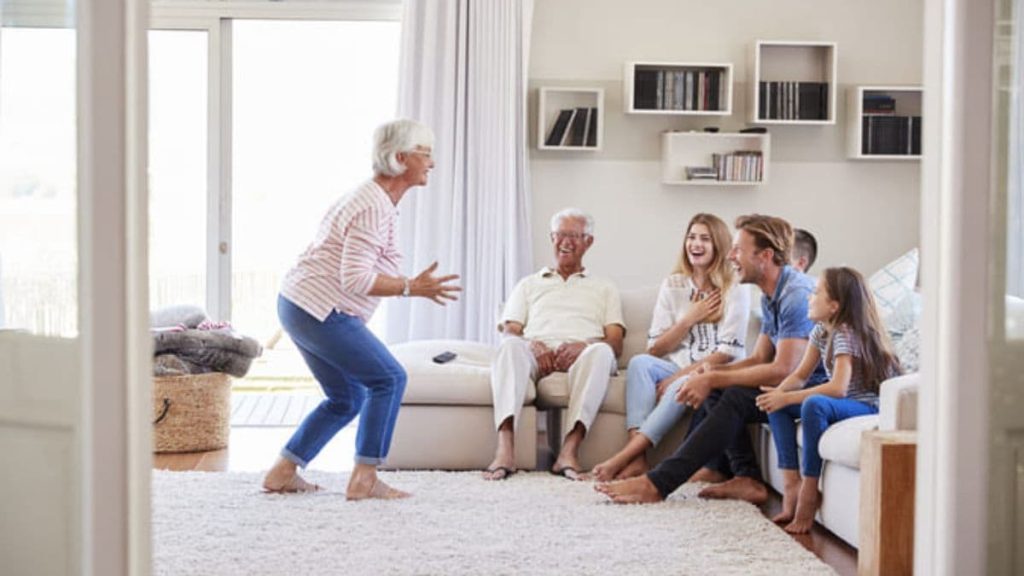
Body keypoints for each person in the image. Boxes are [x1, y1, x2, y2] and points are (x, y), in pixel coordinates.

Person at [262, 119, 461, 500]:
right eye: (426, 153)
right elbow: (355, 278)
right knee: (388, 379)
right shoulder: (374, 206)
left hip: (298, 304)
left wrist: (407, 284)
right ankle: (364, 478)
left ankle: (282, 471)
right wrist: (410, 287)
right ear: (402, 159)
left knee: (346, 397)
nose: (432, 162)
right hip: (320, 309)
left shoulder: (372, 198)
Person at [596, 214, 827, 504]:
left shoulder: (795, 294)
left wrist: (713, 376)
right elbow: (759, 357)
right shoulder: (772, 295)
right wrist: (709, 374)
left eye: (738, 250)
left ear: (765, 256)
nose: (730, 256)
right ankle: (745, 477)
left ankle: (658, 483)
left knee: (729, 393)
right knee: (718, 387)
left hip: (812, 393)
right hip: (790, 388)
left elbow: (783, 371)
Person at [589, 213, 750, 482]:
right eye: (691, 237)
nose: (695, 244)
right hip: (679, 364)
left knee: (680, 383)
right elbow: (654, 349)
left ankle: (623, 457)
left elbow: (727, 352)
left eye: (705, 239)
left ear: (719, 245)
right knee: (640, 363)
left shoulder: (735, 286)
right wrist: (689, 318)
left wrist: (678, 376)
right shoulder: (674, 284)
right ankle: (638, 459)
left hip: (715, 369)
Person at [483, 208, 625, 481]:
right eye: (560, 235)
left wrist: (584, 345)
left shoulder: (604, 288)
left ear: (588, 242)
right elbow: (510, 331)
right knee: (510, 346)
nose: (565, 242)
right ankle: (505, 450)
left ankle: (568, 452)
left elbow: (615, 342)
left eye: (574, 235)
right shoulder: (528, 284)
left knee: (601, 352)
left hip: (582, 356)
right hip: (536, 353)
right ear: (552, 238)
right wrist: (531, 344)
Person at [755, 267, 901, 533]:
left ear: (834, 306)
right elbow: (800, 375)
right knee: (777, 403)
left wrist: (788, 397)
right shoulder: (820, 331)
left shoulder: (846, 333)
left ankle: (810, 491)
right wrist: (778, 395)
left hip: (865, 405)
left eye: (816, 293)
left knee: (813, 404)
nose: (809, 298)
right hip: (845, 402)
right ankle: (792, 484)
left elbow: (838, 389)